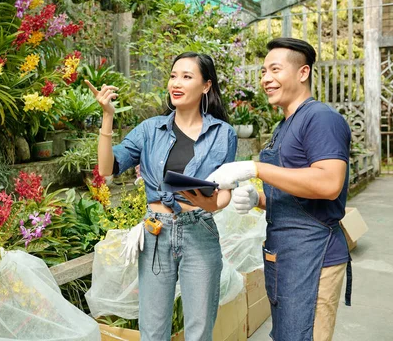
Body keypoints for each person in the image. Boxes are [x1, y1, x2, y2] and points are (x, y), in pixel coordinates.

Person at [207, 38, 352, 341]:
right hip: (284, 256)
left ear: (303, 73)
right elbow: (295, 191)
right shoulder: (283, 126)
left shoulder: (320, 118)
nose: (265, 79)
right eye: (263, 72)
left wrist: (256, 168)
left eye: (275, 70)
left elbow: (328, 184)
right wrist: (259, 198)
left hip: (314, 255)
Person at [86, 52, 237, 341]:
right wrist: (107, 117)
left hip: (199, 230)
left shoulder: (223, 133)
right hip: (156, 232)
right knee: (153, 331)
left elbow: (224, 195)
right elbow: (107, 168)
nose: (176, 83)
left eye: (187, 76)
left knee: (199, 330)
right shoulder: (150, 129)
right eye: (173, 75)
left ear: (206, 85)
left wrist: (207, 202)